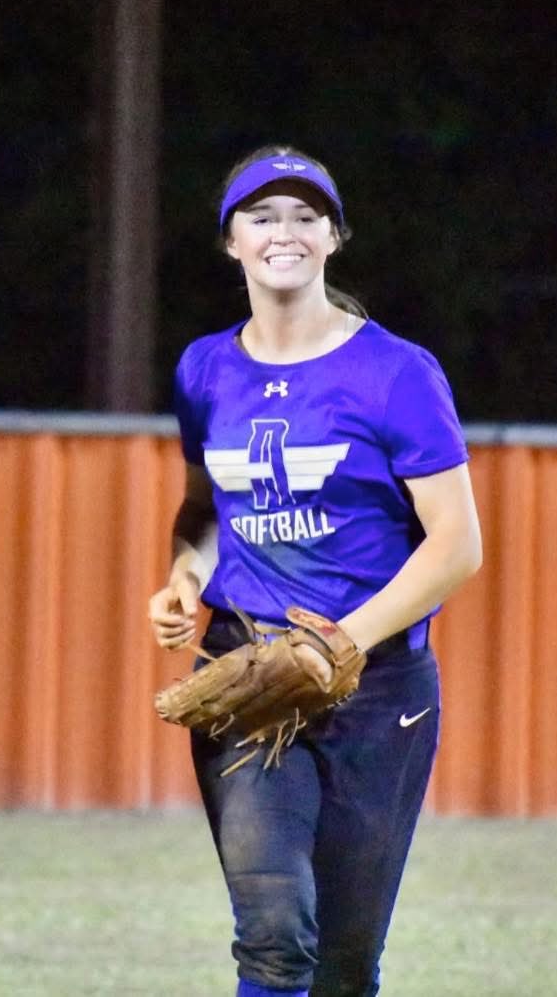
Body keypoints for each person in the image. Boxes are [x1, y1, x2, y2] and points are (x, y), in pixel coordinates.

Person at [147, 145, 483, 997]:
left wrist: (341, 643)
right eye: (261, 216)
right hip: (250, 671)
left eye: (304, 216)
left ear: (333, 237)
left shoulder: (396, 372)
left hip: (377, 688)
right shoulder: (203, 369)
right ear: (231, 242)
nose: (283, 231)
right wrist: (185, 573)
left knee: (341, 964)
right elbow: (205, 511)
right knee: (271, 931)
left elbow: (455, 544)